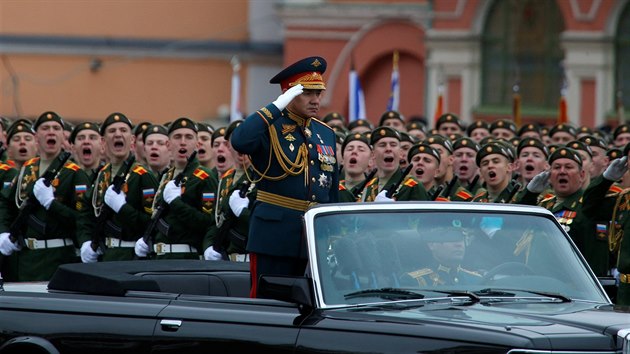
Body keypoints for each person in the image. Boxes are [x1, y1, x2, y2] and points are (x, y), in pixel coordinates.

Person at [230, 56, 339, 297]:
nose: (315, 100)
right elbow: (240, 140)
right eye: (307, 93)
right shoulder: (269, 125)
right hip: (274, 237)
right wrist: (275, 107)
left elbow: (331, 192)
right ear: (289, 95)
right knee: (268, 304)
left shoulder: (325, 133)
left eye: (318, 93)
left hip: (312, 239)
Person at [0, 111, 90, 281]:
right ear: (36, 136)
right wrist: (3, 232)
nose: (51, 132)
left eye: (56, 128)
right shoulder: (27, 168)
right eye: (45, 128)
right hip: (27, 260)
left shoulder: (74, 174)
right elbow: (5, 202)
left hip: (58, 257)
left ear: (63, 137)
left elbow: (81, 219)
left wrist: (51, 203)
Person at [77, 113, 158, 262]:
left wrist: (122, 207)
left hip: (132, 257)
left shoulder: (142, 175)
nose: (118, 134)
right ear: (103, 141)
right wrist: (86, 241)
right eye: (112, 131)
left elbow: (152, 220)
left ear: (132, 140)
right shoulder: (102, 175)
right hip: (106, 255)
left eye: (123, 130)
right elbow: (85, 215)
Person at [134, 117, 217, 260]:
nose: (183, 142)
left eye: (188, 137)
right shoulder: (167, 176)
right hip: (160, 257)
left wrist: (176, 203)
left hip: (185, 257)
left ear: (197, 145)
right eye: (177, 137)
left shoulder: (204, 177)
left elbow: (208, 222)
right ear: (168, 144)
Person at [203, 120, 257, 262]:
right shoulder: (226, 179)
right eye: (236, 140)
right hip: (229, 260)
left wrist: (243, 212)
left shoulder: (261, 178)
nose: (241, 145)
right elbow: (215, 221)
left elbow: (264, 226)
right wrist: (208, 246)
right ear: (228, 146)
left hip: (250, 259)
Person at [359, 127, 428, 202]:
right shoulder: (369, 187)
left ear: (401, 153)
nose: (388, 149)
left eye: (393, 145)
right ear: (373, 154)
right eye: (382, 145)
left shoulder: (412, 186)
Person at [404, 226, 481, 287]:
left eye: (461, 239)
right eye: (451, 239)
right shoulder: (415, 281)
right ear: (432, 245)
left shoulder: (476, 279)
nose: (459, 244)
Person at [338, 133, 372, 202]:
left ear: (370, 160)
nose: (354, 152)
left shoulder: (373, 190)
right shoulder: (333, 189)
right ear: (342, 159)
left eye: (361, 150)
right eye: (350, 149)